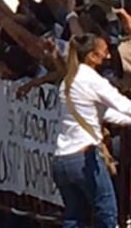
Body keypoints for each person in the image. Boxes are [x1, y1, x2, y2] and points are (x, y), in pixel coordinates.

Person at [53, 33, 131, 228]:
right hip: (84, 156)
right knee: (107, 213)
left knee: (74, 217)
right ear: (91, 56)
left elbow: (105, 114)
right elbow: (121, 104)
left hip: (62, 159)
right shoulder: (91, 79)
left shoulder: (68, 82)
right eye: (104, 52)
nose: (108, 57)